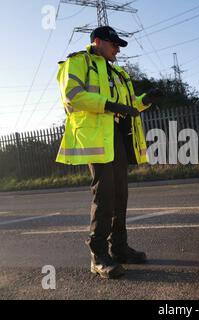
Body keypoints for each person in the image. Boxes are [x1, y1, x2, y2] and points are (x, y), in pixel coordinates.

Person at [56, 26, 162, 279]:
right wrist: (107, 104)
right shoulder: (78, 62)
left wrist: (146, 99)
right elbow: (72, 96)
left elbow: (127, 106)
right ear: (97, 41)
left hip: (118, 137)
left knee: (119, 195)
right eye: (113, 44)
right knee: (104, 197)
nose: (117, 49)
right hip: (95, 137)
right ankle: (99, 256)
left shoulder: (117, 72)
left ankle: (120, 248)